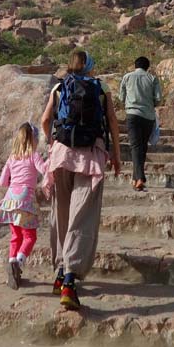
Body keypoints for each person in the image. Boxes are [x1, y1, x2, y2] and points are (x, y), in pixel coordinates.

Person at [41, 50, 121, 311]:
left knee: (60, 214)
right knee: (82, 217)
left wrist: (52, 142)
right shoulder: (100, 87)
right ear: (89, 65)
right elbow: (112, 122)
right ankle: (70, 280)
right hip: (90, 155)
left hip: (61, 155)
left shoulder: (58, 87)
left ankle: (58, 272)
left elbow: (45, 121)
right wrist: (117, 155)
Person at [0, 122, 47, 290]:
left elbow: (3, 182)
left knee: (15, 236)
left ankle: (12, 265)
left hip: (10, 198)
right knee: (30, 236)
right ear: (34, 139)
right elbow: (44, 169)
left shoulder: (12, 157)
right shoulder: (33, 155)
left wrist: (13, 181)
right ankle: (18, 262)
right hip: (25, 199)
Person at [119, 56, 162, 191]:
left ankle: (139, 178)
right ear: (147, 67)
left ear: (135, 65)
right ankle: (138, 178)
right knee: (142, 147)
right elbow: (158, 98)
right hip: (148, 116)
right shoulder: (152, 78)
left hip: (132, 115)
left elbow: (121, 97)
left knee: (136, 146)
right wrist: (150, 104)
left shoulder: (127, 77)